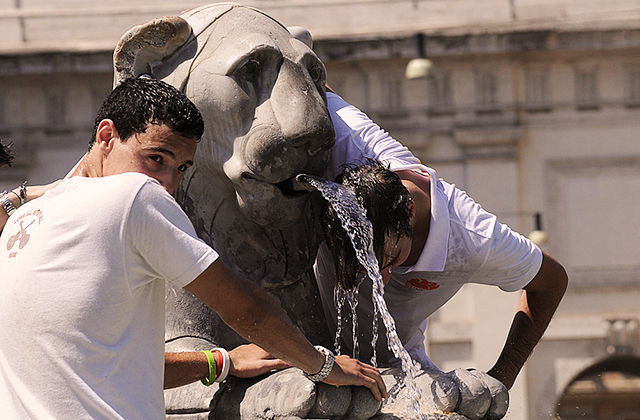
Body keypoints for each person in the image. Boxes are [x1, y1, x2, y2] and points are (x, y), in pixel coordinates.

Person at [0, 77, 386, 420]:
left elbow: (106, 364)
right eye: (155, 158)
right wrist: (323, 367)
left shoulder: (22, 222)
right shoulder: (134, 195)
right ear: (106, 137)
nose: (167, 183)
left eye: (182, 167)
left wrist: (221, 362)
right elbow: (247, 309)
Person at [315, 158, 568, 390]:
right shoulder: (344, 148)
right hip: (308, 349)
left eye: (390, 262)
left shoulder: (475, 239)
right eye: (363, 269)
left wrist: (502, 377)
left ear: (410, 213)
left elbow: (552, 281)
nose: (380, 282)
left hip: (396, 368)